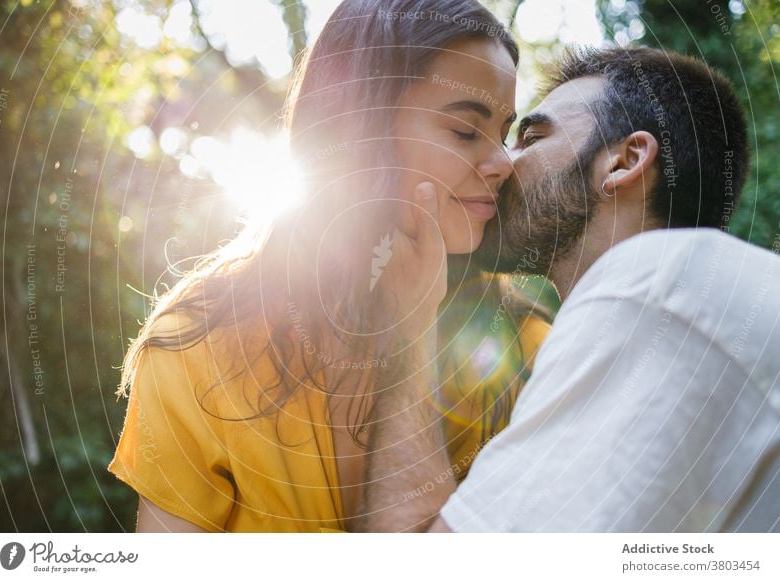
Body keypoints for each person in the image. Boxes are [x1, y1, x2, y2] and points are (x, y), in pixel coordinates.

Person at [108, 0, 551, 532]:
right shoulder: (204, 338)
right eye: (464, 131)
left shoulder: (522, 349)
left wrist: (410, 332)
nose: (504, 162)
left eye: (504, 132)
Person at [358, 46, 780, 532]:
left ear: (624, 162)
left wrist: (406, 328)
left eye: (530, 138)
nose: (500, 163)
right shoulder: (696, 292)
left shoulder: (655, 284)